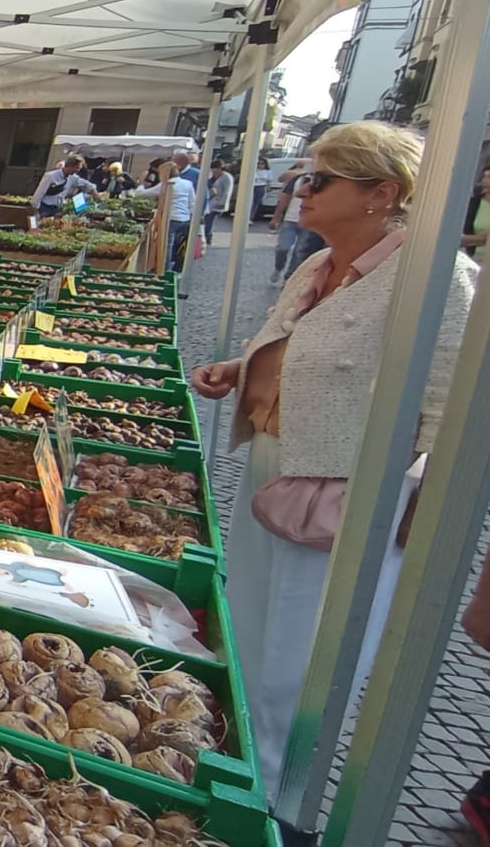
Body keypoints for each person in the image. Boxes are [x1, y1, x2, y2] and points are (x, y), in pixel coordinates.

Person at [188, 121, 476, 812]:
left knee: (303, 650)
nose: (300, 190)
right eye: (303, 176)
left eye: (320, 179)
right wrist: (241, 367)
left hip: (347, 490)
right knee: (247, 617)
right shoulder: (317, 265)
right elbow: (298, 347)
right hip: (274, 463)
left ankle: (274, 796)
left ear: (383, 192)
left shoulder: (440, 279)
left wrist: (424, 510)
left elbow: (454, 407)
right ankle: (235, 752)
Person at [131, 160, 195, 271]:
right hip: (184, 218)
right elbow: (192, 202)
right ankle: (177, 268)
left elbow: (140, 194)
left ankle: (164, 269)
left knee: (167, 245)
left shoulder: (166, 184)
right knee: (180, 245)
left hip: (170, 218)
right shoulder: (188, 183)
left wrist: (141, 184)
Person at [269, 159, 322, 282]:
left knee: (299, 252)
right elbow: (285, 199)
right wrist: (276, 218)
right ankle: (278, 268)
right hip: (291, 219)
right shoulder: (297, 179)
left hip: (309, 223)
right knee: (282, 248)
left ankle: (289, 279)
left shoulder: (323, 183)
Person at [31, 154, 98, 219]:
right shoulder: (50, 176)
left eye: (79, 169)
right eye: (77, 168)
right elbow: (39, 194)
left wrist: (94, 191)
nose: (78, 170)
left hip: (56, 209)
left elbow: (85, 183)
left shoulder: (72, 177)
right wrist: (36, 211)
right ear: (70, 165)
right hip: (44, 207)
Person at [199, 160, 235, 246]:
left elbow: (227, 191)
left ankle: (208, 238)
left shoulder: (226, 177)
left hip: (218, 203)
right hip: (212, 202)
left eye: (215, 169)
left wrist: (223, 203)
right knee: (207, 220)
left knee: (209, 221)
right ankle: (207, 237)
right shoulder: (215, 176)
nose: (213, 171)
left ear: (220, 168)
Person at [461, 165, 490, 259]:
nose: (484, 181)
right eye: (484, 176)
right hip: (474, 258)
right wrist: (485, 238)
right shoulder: (472, 204)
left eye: (489, 177)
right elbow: (459, 238)